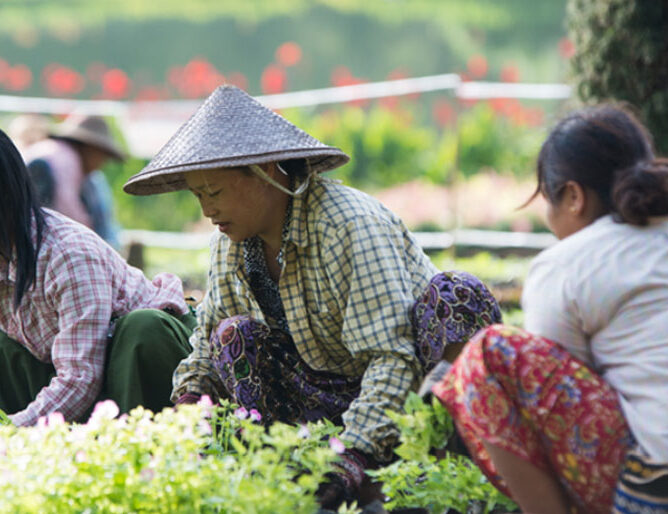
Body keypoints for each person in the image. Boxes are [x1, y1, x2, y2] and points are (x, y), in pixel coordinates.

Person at [123, 85, 500, 509]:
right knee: (232, 338)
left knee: (457, 294)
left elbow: (393, 358)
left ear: (267, 171)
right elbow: (208, 348)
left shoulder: (347, 225)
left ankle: (426, 474)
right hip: (318, 402)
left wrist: (352, 457)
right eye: (198, 195)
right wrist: (186, 416)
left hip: (407, 393)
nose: (207, 210)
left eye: (215, 192)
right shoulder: (227, 244)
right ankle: (291, 474)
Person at [433, 105, 668, 513]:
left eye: (548, 202)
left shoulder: (564, 264)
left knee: (486, 358)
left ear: (574, 197)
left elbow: (548, 420)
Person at [0, 119, 193, 426]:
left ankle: (147, 445)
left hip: (141, 367)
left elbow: (80, 377)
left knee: (143, 328)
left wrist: (11, 433)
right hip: (84, 381)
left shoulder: (69, 255)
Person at [11, 114, 125, 250]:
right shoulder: (61, 162)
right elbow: (65, 217)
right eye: (102, 156)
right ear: (90, 149)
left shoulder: (54, 154)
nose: (101, 164)